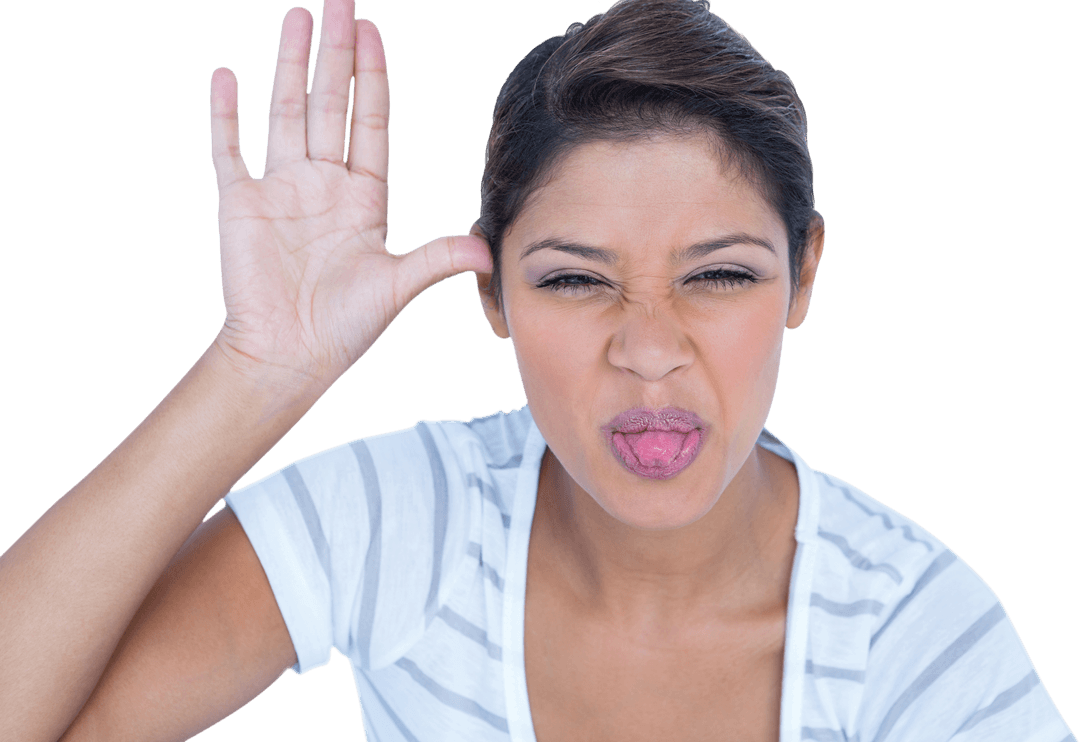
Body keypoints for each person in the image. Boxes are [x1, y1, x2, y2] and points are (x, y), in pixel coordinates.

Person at [0, 0, 1074, 740]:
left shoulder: (909, 629)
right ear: (491, 294)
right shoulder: (409, 520)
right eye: (573, 281)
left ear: (803, 276)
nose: (649, 349)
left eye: (718, 276)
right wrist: (258, 369)